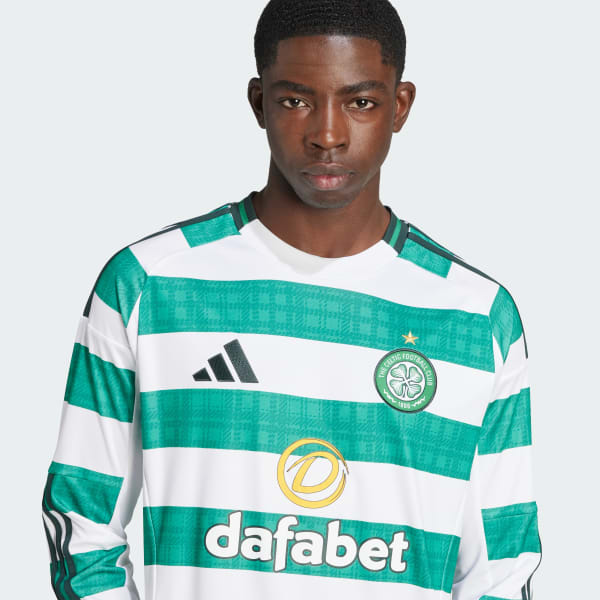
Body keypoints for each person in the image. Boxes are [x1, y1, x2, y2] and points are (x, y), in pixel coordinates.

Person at [41, 1, 542, 598]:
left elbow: (501, 569)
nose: (327, 135)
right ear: (258, 102)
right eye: (296, 101)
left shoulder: (475, 316)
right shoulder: (149, 285)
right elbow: (82, 525)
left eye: (360, 102)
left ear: (400, 106)